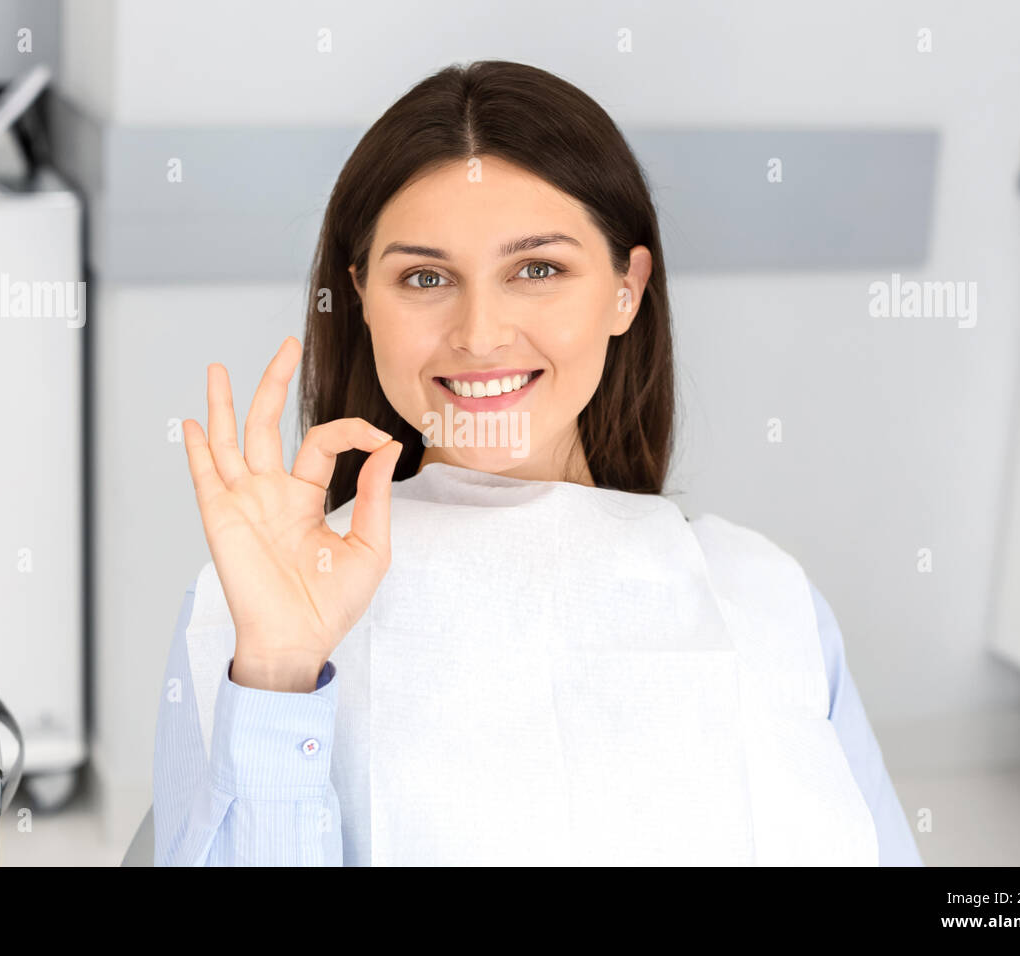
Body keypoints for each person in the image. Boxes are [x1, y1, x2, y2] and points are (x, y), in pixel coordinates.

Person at [152, 59, 922, 866]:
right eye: (424, 276)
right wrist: (278, 669)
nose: (480, 333)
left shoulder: (763, 593)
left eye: (538, 269)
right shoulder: (248, 611)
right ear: (363, 300)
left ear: (627, 288)